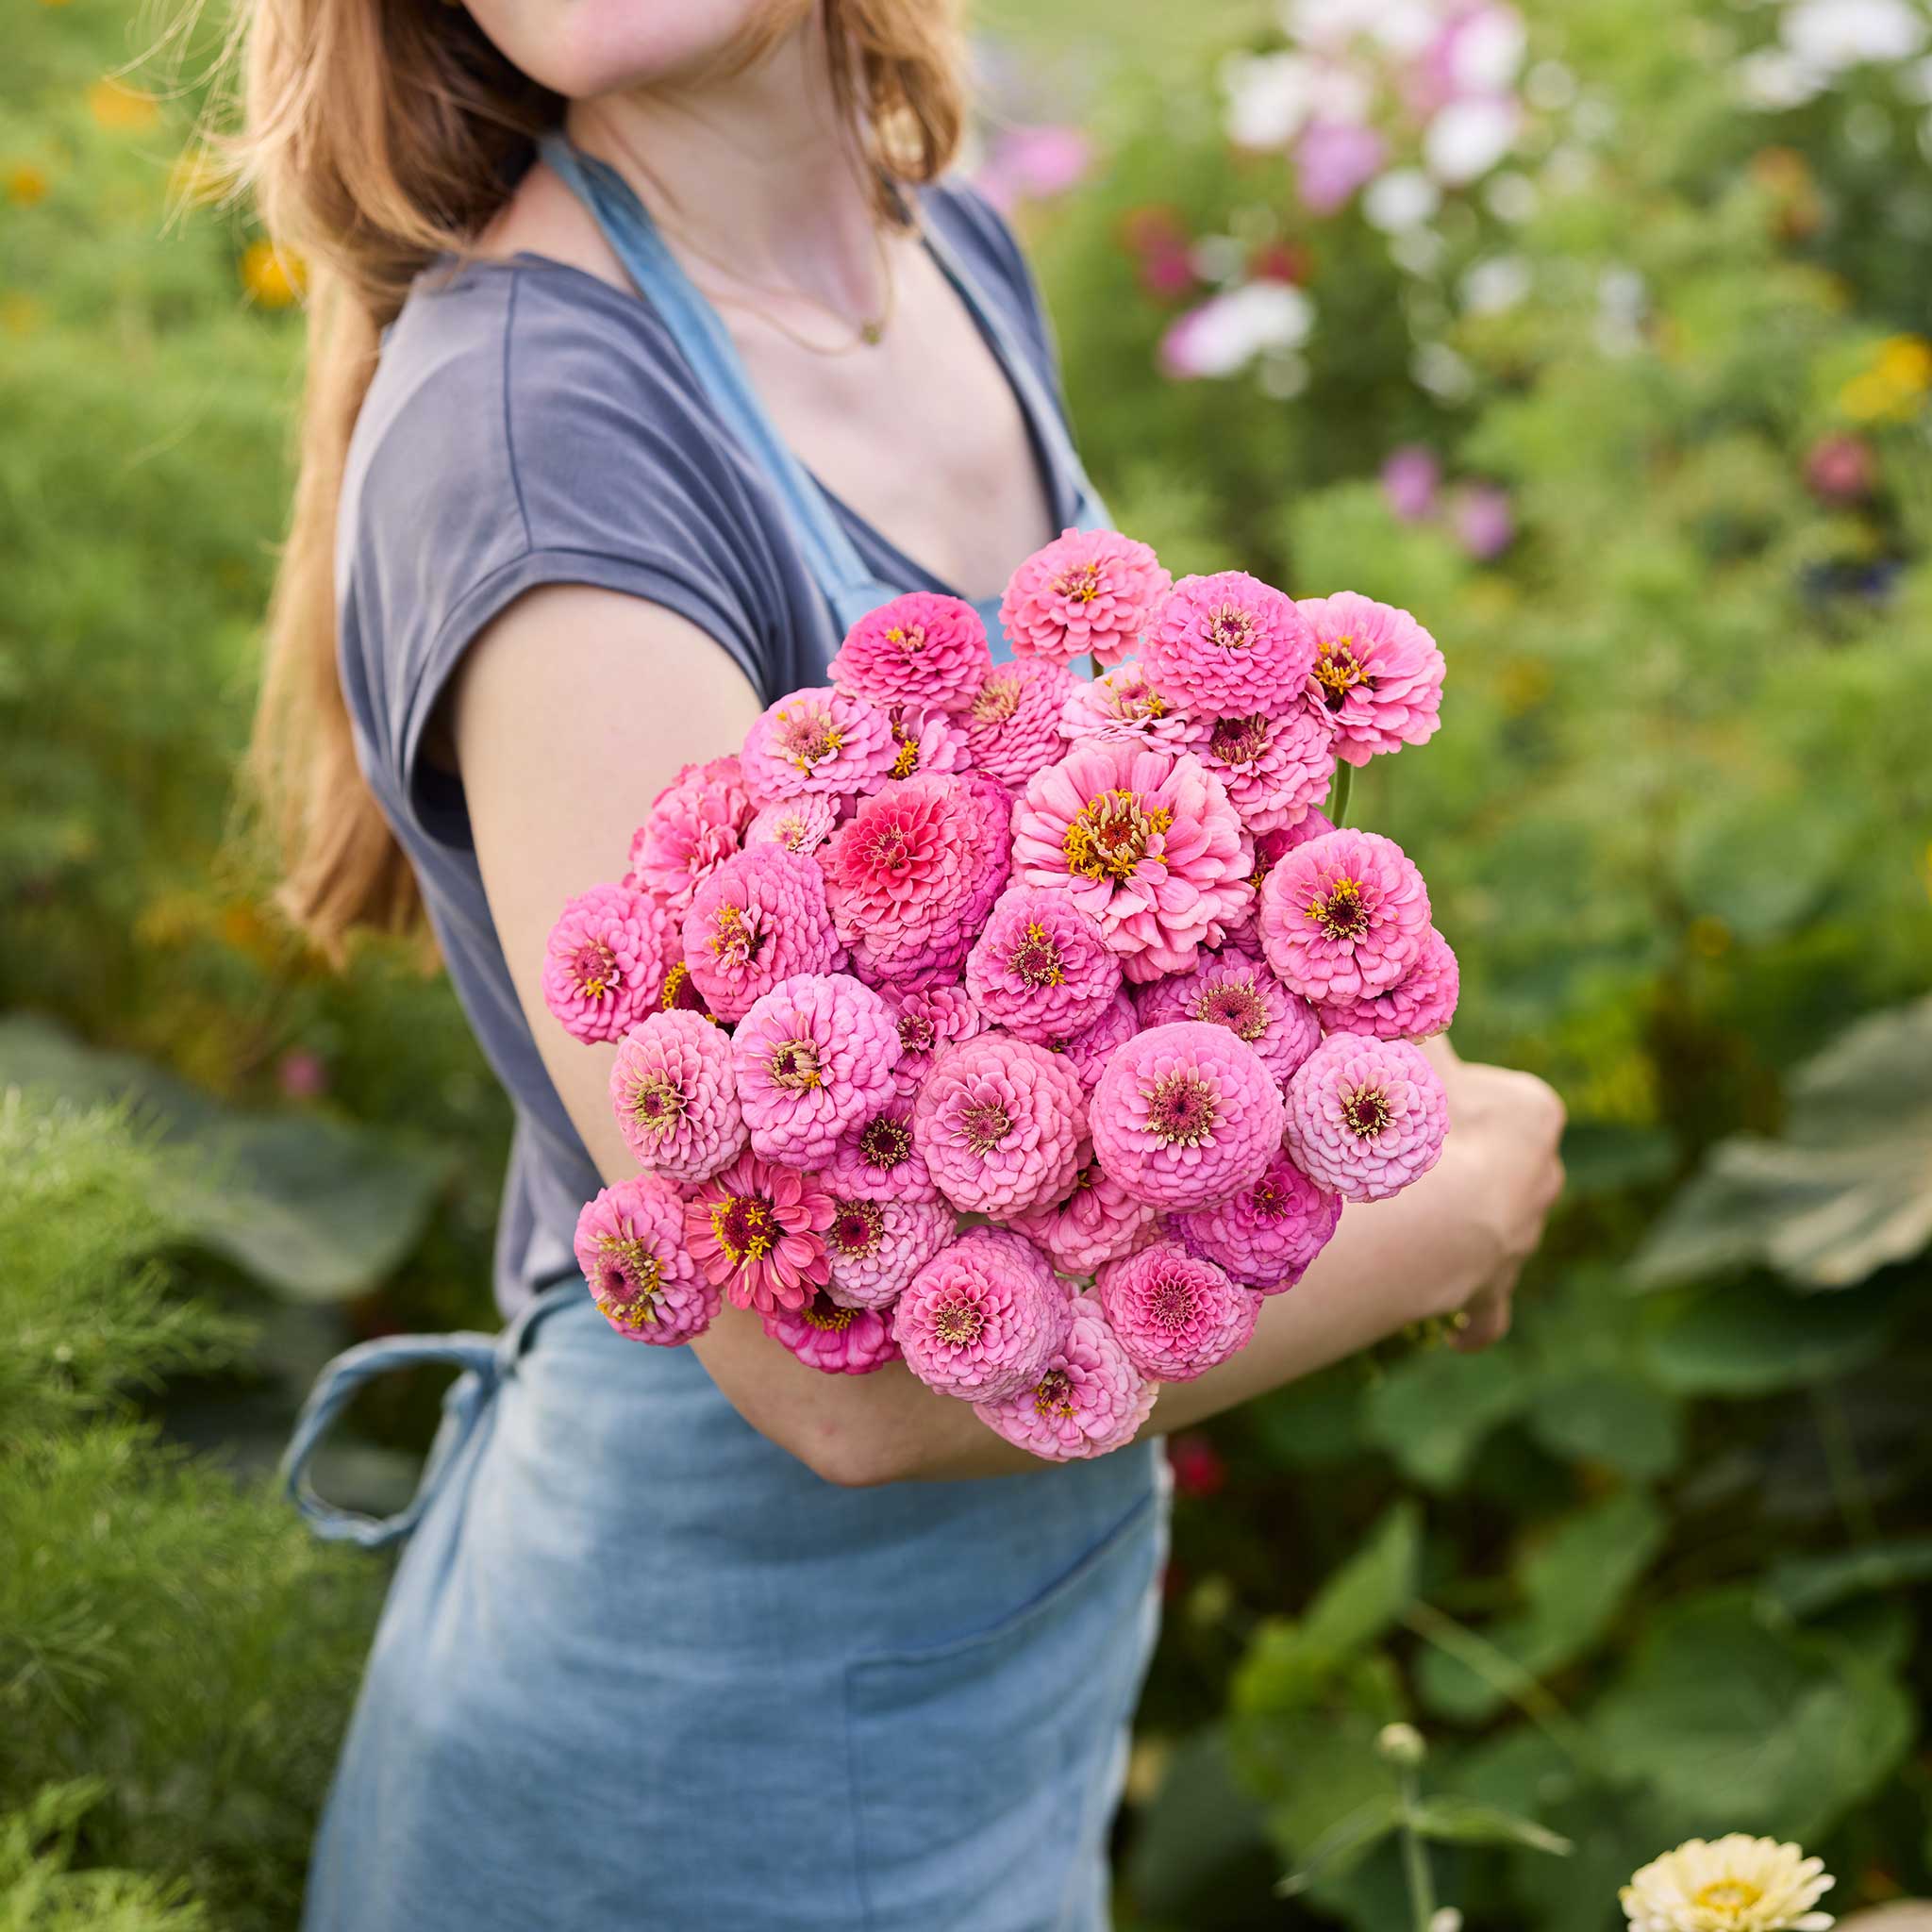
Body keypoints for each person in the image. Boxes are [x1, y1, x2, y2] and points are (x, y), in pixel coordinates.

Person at [233, 1, 1568, 1926]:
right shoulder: (546, 437)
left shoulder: (935, 242)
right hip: (697, 1773)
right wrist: (1450, 1203)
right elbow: (826, 1385)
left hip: (982, 1706)